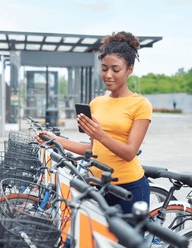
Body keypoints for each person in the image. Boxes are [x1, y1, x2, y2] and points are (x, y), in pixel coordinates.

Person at [35, 31, 152, 214]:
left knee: (125, 243)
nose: (108, 75)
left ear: (129, 69)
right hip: (99, 187)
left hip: (130, 188)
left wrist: (100, 135)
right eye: (104, 68)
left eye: (116, 69)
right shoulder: (97, 103)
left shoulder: (141, 105)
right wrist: (54, 139)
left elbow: (129, 153)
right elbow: (93, 149)